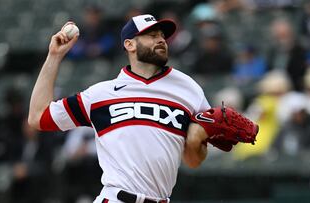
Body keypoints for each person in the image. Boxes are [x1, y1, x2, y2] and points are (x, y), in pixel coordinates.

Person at [28, 14, 212, 203]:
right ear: (129, 44)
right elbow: (38, 117)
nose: (160, 40)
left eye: (162, 36)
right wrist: (54, 56)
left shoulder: (188, 88)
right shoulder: (101, 95)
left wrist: (197, 138)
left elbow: (193, 160)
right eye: (152, 35)